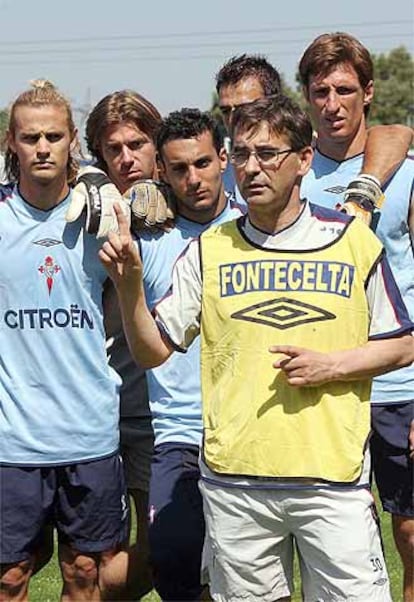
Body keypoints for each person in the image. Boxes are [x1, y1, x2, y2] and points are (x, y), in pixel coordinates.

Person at [99, 94, 414, 602]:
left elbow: (402, 344)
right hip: (236, 485)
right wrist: (131, 285)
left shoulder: (351, 241)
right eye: (242, 154)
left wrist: (333, 365)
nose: (252, 167)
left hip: (330, 483)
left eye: (268, 154)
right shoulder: (209, 249)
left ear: (305, 159)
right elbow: (153, 350)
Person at [0, 80, 128, 601]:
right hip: (14, 437)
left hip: (88, 432)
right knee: (9, 577)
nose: (43, 147)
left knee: (83, 571)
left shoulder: (103, 214)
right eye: (31, 138)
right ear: (12, 142)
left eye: (54, 135)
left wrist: (102, 183)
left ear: (72, 139)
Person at [298, 32, 414, 602]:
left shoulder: (407, 171)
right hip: (323, 383)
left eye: (344, 89)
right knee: (333, 534)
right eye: (319, 91)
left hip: (400, 380)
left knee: (412, 531)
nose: (332, 103)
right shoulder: (286, 175)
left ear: (368, 93)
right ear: (305, 97)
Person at [139, 108, 242, 601]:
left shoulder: (254, 224)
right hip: (177, 432)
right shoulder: (147, 234)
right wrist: (118, 191)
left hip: (246, 427)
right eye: (178, 168)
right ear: (161, 170)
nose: (193, 178)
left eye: (203, 163)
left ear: (223, 158)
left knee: (251, 580)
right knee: (173, 565)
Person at [84, 89, 161, 600]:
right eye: (113, 149)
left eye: (137, 144)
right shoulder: (85, 214)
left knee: (165, 554)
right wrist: (95, 186)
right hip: (100, 415)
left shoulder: (189, 199)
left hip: (166, 415)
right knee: (90, 562)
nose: (126, 158)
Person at [215, 52, 413, 221]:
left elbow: (395, 133)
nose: (234, 119)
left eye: (246, 107)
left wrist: (364, 191)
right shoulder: (212, 172)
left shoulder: (293, 161)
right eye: (226, 111)